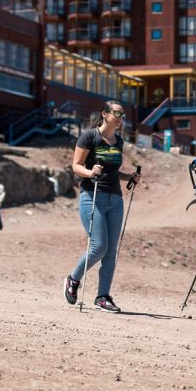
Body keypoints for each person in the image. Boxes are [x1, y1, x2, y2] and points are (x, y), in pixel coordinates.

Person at [63, 101, 141, 313]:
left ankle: (102, 297)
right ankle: (73, 279)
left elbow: (113, 172)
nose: (120, 118)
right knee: (99, 247)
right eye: (116, 113)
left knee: (111, 252)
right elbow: (76, 166)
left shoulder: (119, 141)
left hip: (115, 198)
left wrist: (130, 176)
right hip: (92, 196)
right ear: (105, 114)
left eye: (122, 115)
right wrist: (90, 172)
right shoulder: (89, 136)